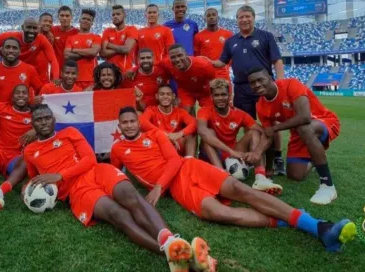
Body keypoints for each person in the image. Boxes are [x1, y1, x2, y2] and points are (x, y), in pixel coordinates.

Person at [111, 107, 357, 253]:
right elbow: (115, 175)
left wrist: (156, 187)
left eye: (133, 121)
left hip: (189, 168)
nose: (130, 125)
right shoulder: (118, 149)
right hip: (178, 189)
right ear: (119, 126)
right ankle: (290, 218)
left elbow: (175, 161)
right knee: (220, 214)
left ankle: (319, 227)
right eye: (125, 122)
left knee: (240, 190)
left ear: (138, 122)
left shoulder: (154, 134)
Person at [22, 104, 215, 272]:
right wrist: (27, 189)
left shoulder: (70, 133)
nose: (43, 122)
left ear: (54, 119)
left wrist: (60, 175)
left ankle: (171, 240)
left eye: (47, 118)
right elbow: (35, 180)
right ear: (33, 124)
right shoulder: (29, 151)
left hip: (97, 171)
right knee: (118, 215)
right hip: (77, 191)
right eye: (38, 120)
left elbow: (89, 159)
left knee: (132, 198)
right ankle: (176, 254)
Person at [210, 5, 286, 176]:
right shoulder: (231, 41)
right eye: (240, 17)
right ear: (236, 20)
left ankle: (276, 158)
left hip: (264, 87)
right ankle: (254, 157)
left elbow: (277, 61)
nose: (244, 20)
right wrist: (204, 60)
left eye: (247, 16)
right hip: (242, 88)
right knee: (248, 125)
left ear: (253, 17)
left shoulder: (265, 36)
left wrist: (280, 83)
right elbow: (221, 62)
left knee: (271, 124)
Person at [247, 68, 340, 205]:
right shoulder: (261, 106)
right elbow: (268, 134)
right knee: (295, 175)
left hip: (323, 121)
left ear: (270, 77)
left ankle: (328, 186)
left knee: (304, 127)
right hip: (299, 132)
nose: (257, 85)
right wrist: (258, 154)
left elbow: (305, 117)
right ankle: (316, 158)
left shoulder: (291, 84)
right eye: (252, 83)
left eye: (260, 80)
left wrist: (276, 127)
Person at [197, 78, 282, 195]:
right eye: (216, 95)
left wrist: (256, 152)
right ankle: (221, 175)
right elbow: (202, 132)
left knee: (255, 132)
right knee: (208, 133)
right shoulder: (204, 111)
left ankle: (260, 178)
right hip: (214, 153)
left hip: (234, 153)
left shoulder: (240, 114)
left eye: (223, 94)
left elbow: (266, 133)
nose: (220, 98)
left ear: (230, 95)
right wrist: (231, 151)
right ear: (211, 97)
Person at [0, 17, 59, 83]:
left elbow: (53, 60)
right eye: (29, 27)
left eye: (34, 28)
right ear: (23, 27)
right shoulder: (10, 36)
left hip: (27, 74)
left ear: (38, 29)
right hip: (9, 72)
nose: (31, 31)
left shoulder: (41, 39)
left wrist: (55, 78)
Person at [0, 38, 43, 102]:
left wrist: (32, 101)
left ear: (20, 51)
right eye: (7, 47)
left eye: (14, 48)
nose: (11, 50)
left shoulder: (29, 69)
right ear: (1, 50)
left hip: (21, 112)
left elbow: (40, 90)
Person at [139, 85, 197, 157]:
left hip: (176, 143)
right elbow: (143, 122)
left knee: (191, 134)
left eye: (168, 94)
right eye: (162, 94)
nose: (165, 97)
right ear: (157, 96)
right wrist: (164, 135)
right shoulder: (151, 110)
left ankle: (189, 160)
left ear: (173, 96)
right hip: (158, 143)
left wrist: (180, 134)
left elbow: (194, 123)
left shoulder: (179, 112)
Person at [159, 44, 216, 114]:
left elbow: (215, 81)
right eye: (173, 57)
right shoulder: (166, 63)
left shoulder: (203, 65)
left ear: (186, 54)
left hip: (204, 91)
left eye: (180, 55)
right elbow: (157, 66)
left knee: (210, 113)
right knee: (183, 114)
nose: (177, 59)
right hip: (185, 90)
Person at [64, 9, 101, 89]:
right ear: (79, 20)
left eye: (89, 20)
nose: (86, 21)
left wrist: (74, 50)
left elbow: (93, 52)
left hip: (91, 79)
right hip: (73, 78)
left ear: (92, 23)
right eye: (84, 18)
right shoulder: (71, 38)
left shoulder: (96, 37)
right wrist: (87, 53)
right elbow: (67, 55)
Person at [193, 8, 233, 82]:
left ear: (218, 17)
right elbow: (197, 56)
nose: (211, 17)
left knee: (225, 93)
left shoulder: (228, 34)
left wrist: (227, 66)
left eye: (214, 15)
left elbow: (232, 54)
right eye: (208, 15)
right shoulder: (198, 36)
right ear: (204, 19)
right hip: (207, 72)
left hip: (223, 72)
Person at [100, 5, 138, 73]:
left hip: (125, 72)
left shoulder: (132, 29)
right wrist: (121, 49)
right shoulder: (107, 31)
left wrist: (109, 45)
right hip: (110, 73)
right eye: (113, 15)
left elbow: (126, 49)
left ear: (124, 15)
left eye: (118, 14)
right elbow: (102, 54)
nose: (115, 16)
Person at [51, 6, 79, 72]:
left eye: (67, 16)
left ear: (71, 17)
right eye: (62, 15)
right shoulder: (52, 30)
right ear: (58, 17)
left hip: (71, 71)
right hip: (56, 69)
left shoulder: (77, 32)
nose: (64, 18)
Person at [35, 12, 55, 82]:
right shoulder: (32, 35)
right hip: (32, 74)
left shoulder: (50, 37)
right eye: (45, 21)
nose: (48, 23)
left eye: (50, 22)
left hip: (44, 76)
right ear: (39, 22)